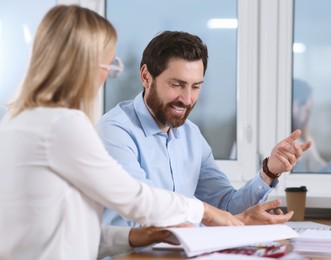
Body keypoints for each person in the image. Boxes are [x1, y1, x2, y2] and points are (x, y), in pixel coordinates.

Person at [0, 6, 243, 260]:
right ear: (83, 65)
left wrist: (133, 237)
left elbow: (62, 232)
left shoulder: (16, 120)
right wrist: (201, 210)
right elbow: (133, 197)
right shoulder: (62, 125)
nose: (107, 76)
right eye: (109, 65)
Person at [97, 30, 312, 229]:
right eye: (177, 84)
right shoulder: (115, 132)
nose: (187, 99)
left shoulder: (191, 135)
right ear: (146, 77)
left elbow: (227, 206)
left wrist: (269, 171)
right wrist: (230, 221)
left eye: (196, 86)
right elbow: (142, 216)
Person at [291, 79, 327, 172]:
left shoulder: (306, 138)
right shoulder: (289, 141)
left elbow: (320, 169)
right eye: (302, 103)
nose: (306, 116)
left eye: (308, 111)